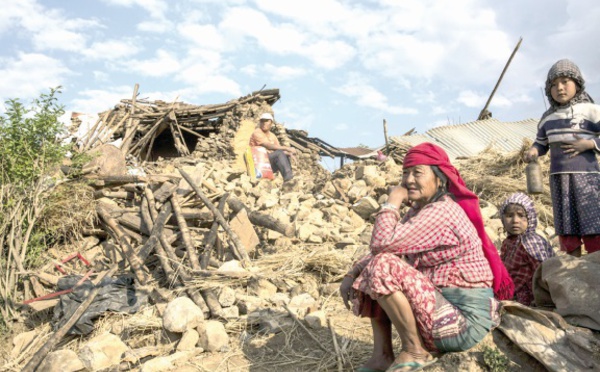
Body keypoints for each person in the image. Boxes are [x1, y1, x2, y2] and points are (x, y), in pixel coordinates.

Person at [340, 143, 513, 372]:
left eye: (417, 173)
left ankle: (414, 350)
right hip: (441, 309)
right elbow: (383, 249)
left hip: (462, 322)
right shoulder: (421, 211)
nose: (409, 180)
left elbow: (381, 244)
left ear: (439, 179)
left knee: (383, 266)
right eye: (405, 173)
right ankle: (382, 355)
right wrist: (352, 273)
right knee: (375, 265)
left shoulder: (442, 211)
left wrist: (393, 200)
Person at [524, 59, 600, 257]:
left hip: (587, 178)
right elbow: (541, 143)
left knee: (593, 221)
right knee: (566, 223)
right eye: (553, 84)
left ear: (578, 83)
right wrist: (534, 151)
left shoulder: (591, 110)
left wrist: (590, 144)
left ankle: (596, 264)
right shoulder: (548, 118)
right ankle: (571, 267)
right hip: (559, 179)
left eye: (565, 81)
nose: (559, 88)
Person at [499, 192, 554, 306]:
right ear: (502, 219)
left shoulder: (531, 242)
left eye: (521, 215)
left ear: (530, 217)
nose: (515, 220)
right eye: (509, 216)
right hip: (512, 289)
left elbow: (544, 272)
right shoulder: (509, 241)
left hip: (528, 295)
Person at [249, 112, 296, 182]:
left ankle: (288, 179)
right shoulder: (257, 132)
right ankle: (289, 180)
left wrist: (288, 153)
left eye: (266, 121)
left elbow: (278, 149)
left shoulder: (272, 136)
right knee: (279, 153)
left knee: (284, 155)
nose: (264, 123)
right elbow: (267, 145)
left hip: (268, 162)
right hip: (258, 162)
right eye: (262, 121)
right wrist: (287, 148)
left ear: (271, 122)